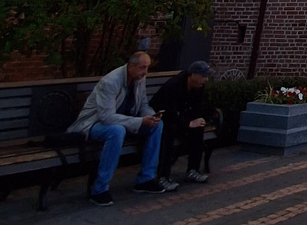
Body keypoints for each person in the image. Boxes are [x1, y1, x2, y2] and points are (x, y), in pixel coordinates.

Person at [68, 51, 178, 205]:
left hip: (125, 122)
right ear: (131, 67)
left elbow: (144, 104)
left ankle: (145, 179)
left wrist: (152, 117)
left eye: (147, 68)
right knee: (116, 131)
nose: (145, 72)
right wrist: (139, 122)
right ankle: (99, 189)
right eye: (142, 68)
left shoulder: (139, 78)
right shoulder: (110, 82)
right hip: (93, 124)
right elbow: (107, 117)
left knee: (157, 126)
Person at [151, 60, 214, 183]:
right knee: (169, 130)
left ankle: (193, 170)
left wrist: (196, 120)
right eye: (203, 76)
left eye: (207, 76)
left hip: (179, 116)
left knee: (198, 127)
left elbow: (197, 107)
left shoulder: (199, 86)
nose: (206, 80)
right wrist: (188, 123)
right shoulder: (174, 86)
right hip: (162, 117)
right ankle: (163, 176)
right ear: (192, 75)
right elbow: (168, 112)